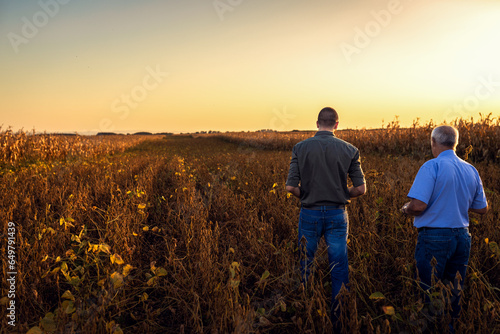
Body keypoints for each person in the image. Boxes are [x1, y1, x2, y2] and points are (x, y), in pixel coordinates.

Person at [401, 125, 488, 330]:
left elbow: (418, 206)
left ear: (433, 142)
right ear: (455, 143)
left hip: (434, 238)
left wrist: (405, 209)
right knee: (453, 289)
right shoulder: (470, 169)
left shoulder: (432, 166)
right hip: (462, 237)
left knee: (427, 290)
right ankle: (450, 327)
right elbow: (482, 208)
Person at [285, 107, 366, 326]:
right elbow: (360, 189)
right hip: (337, 215)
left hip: (309, 213)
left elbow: (291, 187)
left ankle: (307, 312)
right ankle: (339, 318)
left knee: (306, 263)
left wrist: (307, 195)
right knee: (339, 265)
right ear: (337, 125)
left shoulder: (300, 148)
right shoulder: (350, 150)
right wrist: (340, 193)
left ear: (317, 123)